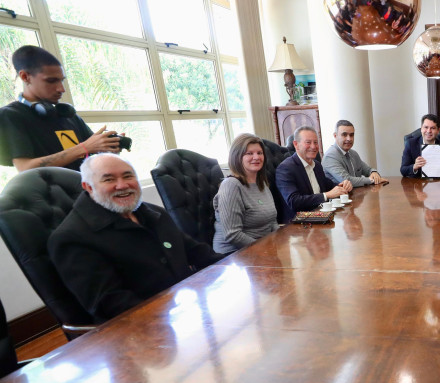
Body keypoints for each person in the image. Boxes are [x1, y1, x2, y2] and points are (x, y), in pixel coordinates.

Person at [48, 153, 223, 323]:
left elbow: (199, 253)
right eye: (109, 179)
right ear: (88, 187)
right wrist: (180, 316)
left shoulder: (155, 214)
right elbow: (112, 305)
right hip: (139, 331)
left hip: (185, 309)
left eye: (128, 176)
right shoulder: (72, 238)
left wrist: (239, 270)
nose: (122, 185)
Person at [0, 45, 121, 172]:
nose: (61, 89)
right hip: (51, 192)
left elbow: (90, 154)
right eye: (51, 81)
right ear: (25, 77)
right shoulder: (11, 116)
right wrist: (84, 147)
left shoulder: (66, 114)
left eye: (61, 81)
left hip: (85, 190)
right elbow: (25, 167)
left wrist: (108, 148)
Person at [212, 133, 278, 253]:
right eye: (249, 153)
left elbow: (272, 221)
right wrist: (265, 248)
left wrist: (280, 240)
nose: (256, 157)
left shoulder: (261, 183)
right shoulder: (231, 186)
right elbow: (233, 234)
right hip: (233, 256)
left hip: (261, 249)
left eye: (259, 153)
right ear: (237, 157)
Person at [276, 126, 352, 222]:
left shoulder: (317, 165)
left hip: (321, 216)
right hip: (298, 223)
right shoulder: (286, 168)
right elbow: (293, 201)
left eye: (315, 142)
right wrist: (326, 195)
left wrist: (342, 186)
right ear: (296, 144)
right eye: (308, 142)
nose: (313, 146)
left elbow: (328, 186)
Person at [322, 120, 388, 187]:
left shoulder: (353, 153)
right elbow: (347, 180)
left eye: (351, 135)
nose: (349, 139)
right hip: (340, 197)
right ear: (335, 136)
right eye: (344, 135)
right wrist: (372, 180)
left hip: (356, 195)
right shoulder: (330, 156)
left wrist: (374, 172)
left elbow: (367, 169)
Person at [400, 114, 440, 178]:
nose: (429, 131)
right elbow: (403, 170)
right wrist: (414, 167)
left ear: (438, 131)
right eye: (426, 127)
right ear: (421, 129)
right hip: (417, 185)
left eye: (433, 128)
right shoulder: (411, 144)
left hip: (439, 184)